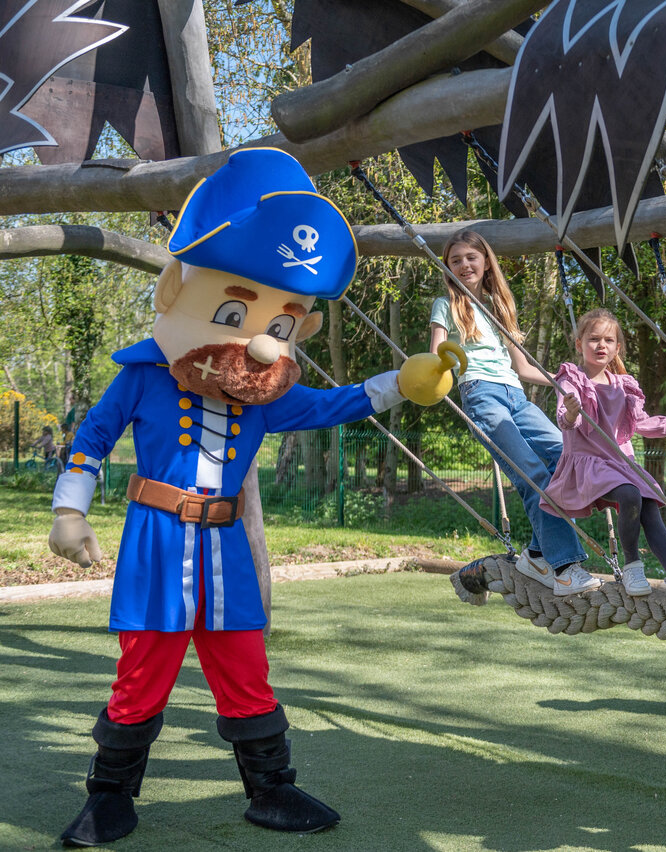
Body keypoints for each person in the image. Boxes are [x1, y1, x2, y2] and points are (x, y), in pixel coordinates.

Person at [46, 148, 443, 845]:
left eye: (281, 328)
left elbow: (334, 404)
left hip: (226, 548)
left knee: (245, 671)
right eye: (236, 312)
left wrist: (400, 384)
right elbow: (92, 438)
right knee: (142, 673)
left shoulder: (264, 400)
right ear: (178, 291)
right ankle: (109, 797)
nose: (262, 347)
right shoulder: (144, 376)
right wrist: (69, 509)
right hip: (157, 542)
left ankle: (272, 790)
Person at [429, 229, 597, 597]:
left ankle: (536, 554)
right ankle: (565, 569)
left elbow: (522, 368)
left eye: (470, 257)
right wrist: (436, 369)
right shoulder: (446, 304)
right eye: (455, 260)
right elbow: (436, 352)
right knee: (531, 474)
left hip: (516, 395)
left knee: (566, 455)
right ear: (448, 267)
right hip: (480, 393)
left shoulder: (498, 306)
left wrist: (562, 380)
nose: (464, 264)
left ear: (486, 262)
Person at [542, 309, 666, 598]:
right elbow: (565, 420)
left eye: (608, 340)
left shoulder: (622, 385)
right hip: (588, 464)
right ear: (579, 344)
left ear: (617, 348)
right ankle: (632, 567)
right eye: (593, 339)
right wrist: (573, 412)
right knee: (629, 494)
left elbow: (641, 424)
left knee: (647, 502)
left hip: (620, 463)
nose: (601, 345)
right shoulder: (571, 379)